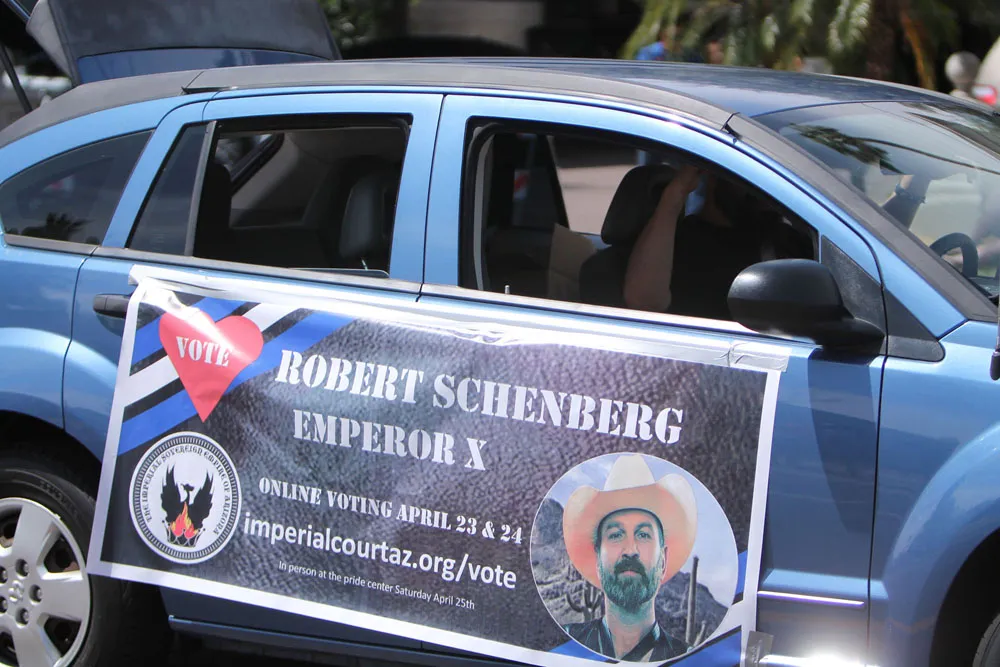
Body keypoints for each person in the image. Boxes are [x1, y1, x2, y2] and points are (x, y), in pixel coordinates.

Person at [561, 454, 698, 662]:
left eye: (643, 535)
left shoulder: (690, 659)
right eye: (616, 535)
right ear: (597, 558)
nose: (630, 550)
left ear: (663, 560)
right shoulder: (563, 641)